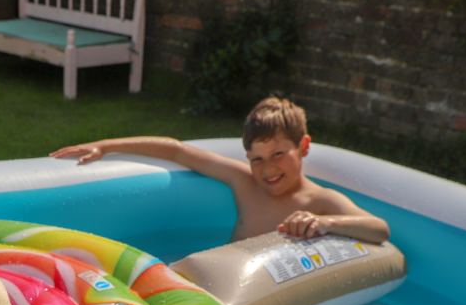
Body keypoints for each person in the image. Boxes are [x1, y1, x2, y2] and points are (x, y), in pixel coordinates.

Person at [50, 98, 390, 245]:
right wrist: (107, 146)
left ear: (303, 147)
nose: (267, 169)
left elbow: (379, 229)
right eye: (256, 159)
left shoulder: (320, 201)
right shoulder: (243, 181)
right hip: (214, 280)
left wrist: (326, 223)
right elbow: (176, 150)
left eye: (278, 154)